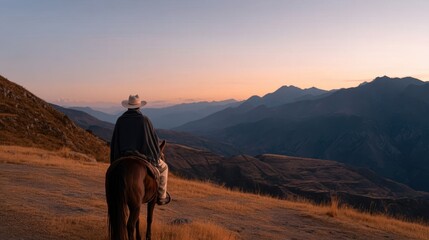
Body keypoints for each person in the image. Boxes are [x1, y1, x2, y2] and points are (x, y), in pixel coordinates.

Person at [110, 94, 170, 205]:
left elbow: (115, 141)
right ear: (139, 107)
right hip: (143, 157)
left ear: (127, 106)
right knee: (164, 167)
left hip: (122, 156)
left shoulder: (120, 120)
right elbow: (152, 141)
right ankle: (161, 196)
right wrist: (155, 153)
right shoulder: (144, 120)